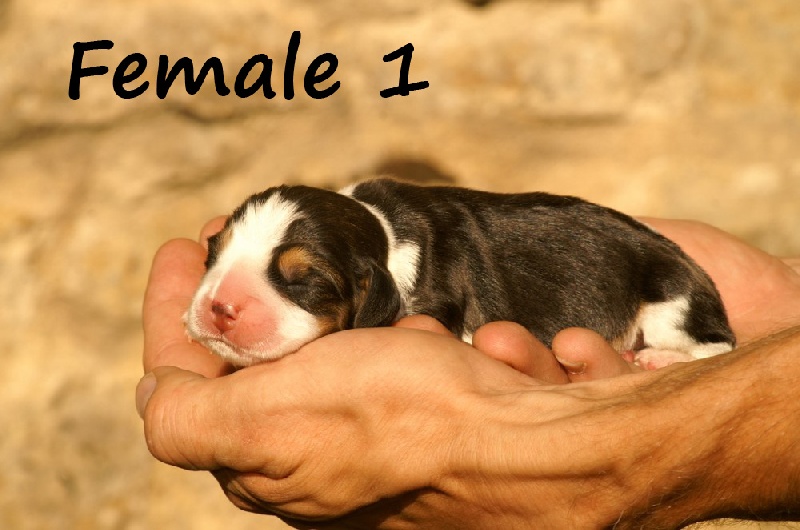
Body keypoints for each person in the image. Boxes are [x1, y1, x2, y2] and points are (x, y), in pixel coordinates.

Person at [137, 216, 800, 529]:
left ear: (371, 294)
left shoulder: (421, 279)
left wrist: (589, 456)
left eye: (300, 283)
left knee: (668, 301)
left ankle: (695, 345)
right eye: (216, 263)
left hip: (656, 291)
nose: (221, 299)